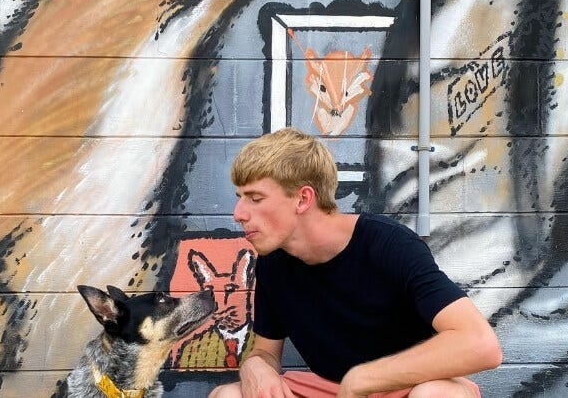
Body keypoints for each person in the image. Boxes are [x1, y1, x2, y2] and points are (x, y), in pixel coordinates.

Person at [209, 128, 502, 398]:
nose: (238, 213)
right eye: (240, 198)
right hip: (331, 389)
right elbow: (266, 351)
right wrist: (255, 366)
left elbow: (481, 344)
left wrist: (362, 378)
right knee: (228, 395)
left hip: (405, 388)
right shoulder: (273, 262)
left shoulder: (388, 245)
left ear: (303, 199)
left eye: (255, 198)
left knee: (436, 395)